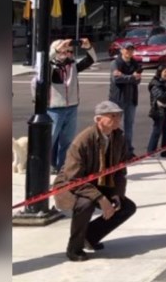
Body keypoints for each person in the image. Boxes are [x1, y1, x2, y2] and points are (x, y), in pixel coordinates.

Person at [54, 101, 137, 262]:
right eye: (112, 116)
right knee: (85, 204)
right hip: (71, 185)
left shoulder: (118, 137)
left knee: (126, 206)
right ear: (98, 119)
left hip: (99, 182)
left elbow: (120, 170)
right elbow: (73, 178)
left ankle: (90, 236)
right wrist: (101, 199)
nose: (117, 119)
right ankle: (74, 247)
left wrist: (116, 194)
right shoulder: (83, 140)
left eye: (119, 115)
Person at [47, 37, 97, 171]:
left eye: (70, 51)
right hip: (55, 109)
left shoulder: (73, 65)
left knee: (67, 141)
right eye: (65, 51)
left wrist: (88, 47)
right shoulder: (50, 67)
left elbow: (92, 59)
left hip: (72, 107)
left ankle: (62, 167)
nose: (68, 53)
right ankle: (47, 166)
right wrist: (57, 49)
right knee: (50, 140)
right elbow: (44, 62)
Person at [108, 42, 142, 159]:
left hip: (131, 99)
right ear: (122, 50)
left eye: (131, 49)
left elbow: (138, 80)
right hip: (117, 100)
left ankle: (128, 151)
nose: (129, 52)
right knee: (114, 126)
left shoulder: (135, 63)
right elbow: (117, 79)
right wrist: (131, 77)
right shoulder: (115, 63)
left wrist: (127, 77)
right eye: (127, 49)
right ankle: (113, 151)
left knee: (129, 126)